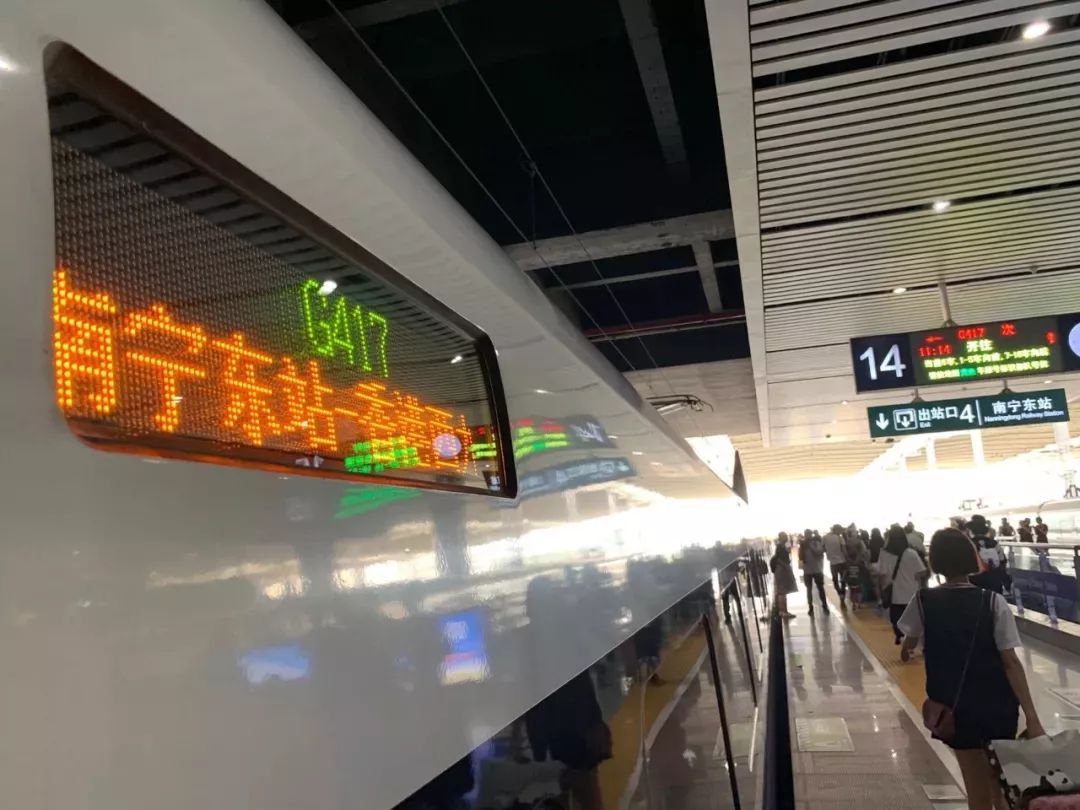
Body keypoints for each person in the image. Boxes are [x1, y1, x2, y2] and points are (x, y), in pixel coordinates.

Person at [898, 528, 1045, 810]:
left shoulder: (923, 601)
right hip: (998, 708)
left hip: (956, 710)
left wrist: (907, 648)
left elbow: (910, 639)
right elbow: (1010, 661)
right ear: (970, 558)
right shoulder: (993, 601)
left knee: (977, 791)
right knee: (1001, 788)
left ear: (935, 561)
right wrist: (1032, 717)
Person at [878, 525, 927, 644]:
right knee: (913, 620)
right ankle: (910, 641)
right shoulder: (911, 553)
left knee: (896, 619)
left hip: (895, 595)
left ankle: (900, 636)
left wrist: (882, 590)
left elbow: (882, 575)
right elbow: (922, 572)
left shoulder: (884, 554)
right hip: (912, 594)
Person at [968, 515, 1010, 595]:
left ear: (971, 530)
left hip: (974, 583)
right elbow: (1003, 561)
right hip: (994, 582)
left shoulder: (968, 544)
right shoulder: (994, 543)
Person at [801, 530, 829, 616]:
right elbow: (801, 557)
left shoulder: (816, 543)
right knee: (810, 589)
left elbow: (818, 553)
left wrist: (809, 546)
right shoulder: (803, 545)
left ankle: (824, 605)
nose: (807, 536)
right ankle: (811, 607)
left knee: (820, 588)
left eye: (808, 535)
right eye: (806, 535)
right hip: (809, 570)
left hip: (816, 569)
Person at [770, 539, 797, 619]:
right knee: (782, 593)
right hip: (782, 574)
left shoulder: (777, 559)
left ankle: (783, 611)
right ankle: (783, 611)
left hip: (780, 573)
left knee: (782, 593)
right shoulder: (781, 562)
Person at [822, 524, 847, 606]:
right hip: (842, 562)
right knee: (843, 580)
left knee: (835, 580)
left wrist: (829, 552)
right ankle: (843, 594)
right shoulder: (840, 538)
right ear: (837, 530)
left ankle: (839, 593)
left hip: (833, 563)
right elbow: (844, 550)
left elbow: (823, 549)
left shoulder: (825, 537)